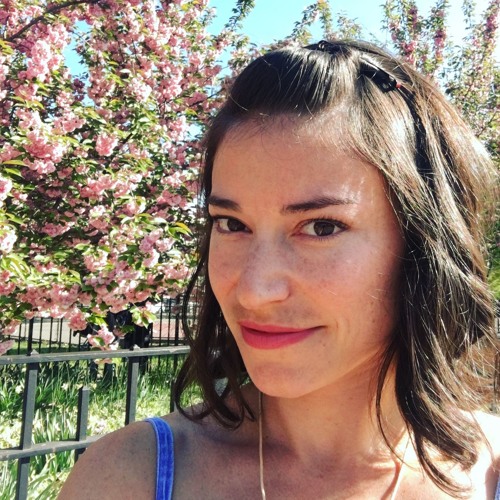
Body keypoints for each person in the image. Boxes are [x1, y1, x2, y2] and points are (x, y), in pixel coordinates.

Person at [60, 39, 500, 499]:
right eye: (232, 224)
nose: (254, 290)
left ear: (424, 246)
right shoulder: (128, 478)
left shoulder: (490, 473)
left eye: (322, 227)